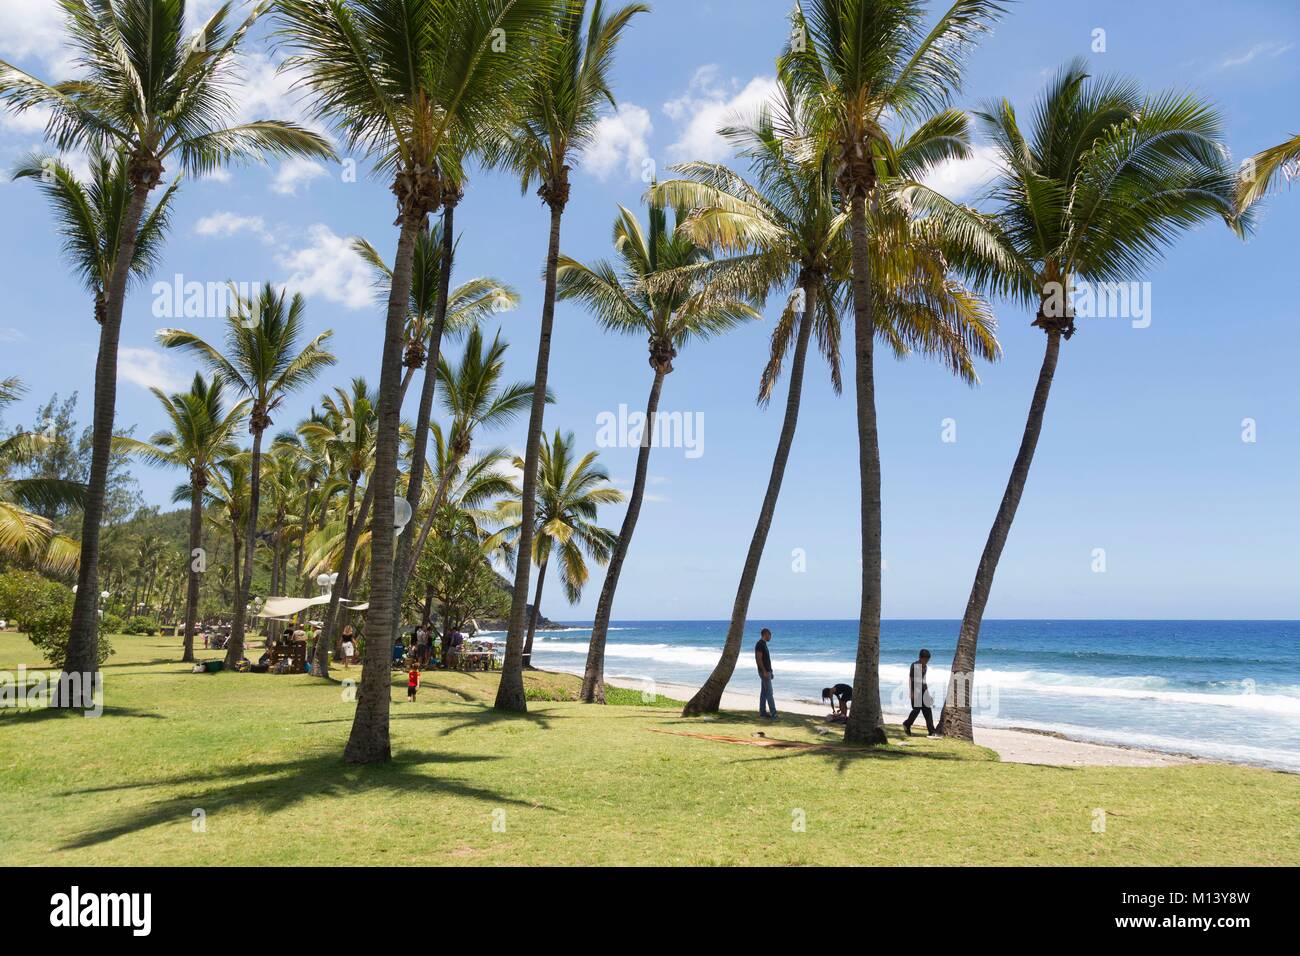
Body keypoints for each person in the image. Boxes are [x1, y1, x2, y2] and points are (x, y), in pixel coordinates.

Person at [903, 648, 939, 737]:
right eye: (925, 659)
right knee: (916, 710)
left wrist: (927, 694)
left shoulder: (925, 667)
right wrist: (911, 693)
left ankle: (931, 731)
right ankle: (907, 724)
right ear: (920, 657)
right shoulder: (915, 665)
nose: (926, 661)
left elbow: (923, 680)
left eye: (928, 660)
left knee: (928, 710)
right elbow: (911, 679)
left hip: (923, 691)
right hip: (915, 691)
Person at [755, 627, 776, 719]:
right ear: (765, 634)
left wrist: (770, 671)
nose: (770, 636)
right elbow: (758, 659)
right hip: (764, 672)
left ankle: (762, 712)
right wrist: (764, 671)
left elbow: (766, 660)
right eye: (769, 634)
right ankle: (774, 713)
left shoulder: (764, 644)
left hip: (767, 672)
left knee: (764, 693)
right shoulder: (760, 644)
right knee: (769, 693)